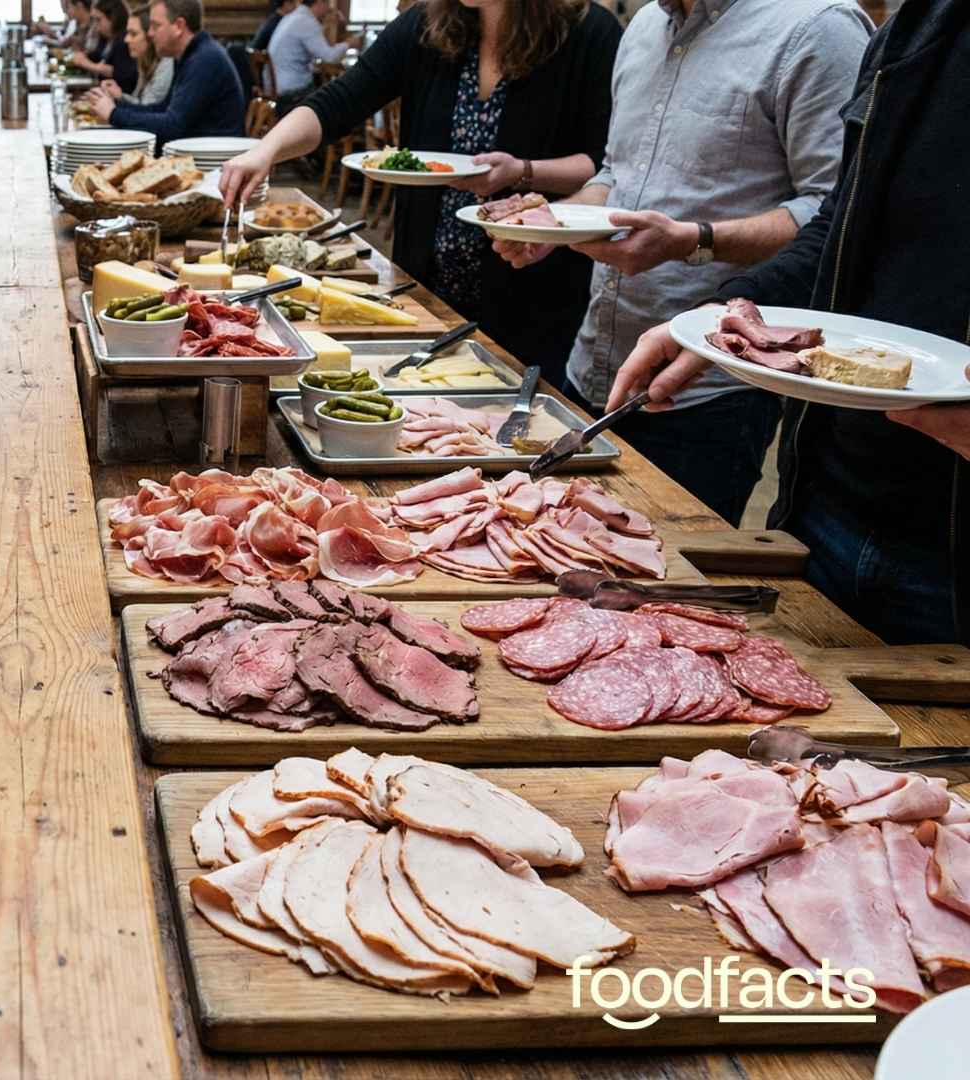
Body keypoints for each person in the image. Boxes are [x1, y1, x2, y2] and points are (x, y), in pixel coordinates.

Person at [604, 0, 970, 645]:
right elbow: (840, 225)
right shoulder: (916, 30)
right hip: (832, 500)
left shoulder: (819, 26)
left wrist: (699, 242)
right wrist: (730, 314)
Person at [491, 0, 871, 526]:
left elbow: (835, 214)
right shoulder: (645, 25)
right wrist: (554, 224)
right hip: (595, 363)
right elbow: (615, 175)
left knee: (665, 587)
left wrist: (693, 240)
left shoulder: (816, 28)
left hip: (708, 392)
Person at [221, 0, 619, 386]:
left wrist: (523, 172)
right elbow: (337, 103)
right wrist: (265, 151)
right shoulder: (427, 24)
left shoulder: (588, 33)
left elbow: (606, 166)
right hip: (429, 283)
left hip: (533, 287)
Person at [83, 0, 242, 141]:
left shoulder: (205, 58)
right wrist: (116, 106)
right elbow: (162, 109)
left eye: (155, 25)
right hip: (195, 154)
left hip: (212, 163)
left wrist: (113, 114)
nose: (150, 33)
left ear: (179, 26)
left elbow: (172, 127)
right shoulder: (190, 55)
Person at [267, 0, 352, 99]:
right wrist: (349, 43)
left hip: (278, 87)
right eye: (328, 3)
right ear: (319, 2)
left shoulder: (293, 16)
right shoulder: (306, 21)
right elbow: (329, 57)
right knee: (334, 97)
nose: (329, 8)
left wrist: (330, 23)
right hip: (292, 94)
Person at [101, 4, 172, 106]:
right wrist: (119, 96)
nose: (126, 39)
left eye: (133, 34)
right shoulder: (144, 61)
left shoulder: (165, 65)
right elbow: (140, 104)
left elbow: (147, 111)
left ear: (150, 36)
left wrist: (115, 108)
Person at [71, 0, 138, 93]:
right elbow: (95, 57)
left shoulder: (124, 40)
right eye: (94, 20)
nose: (95, 25)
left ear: (113, 17)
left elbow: (121, 72)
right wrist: (83, 56)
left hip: (120, 95)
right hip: (104, 91)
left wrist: (88, 64)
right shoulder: (105, 37)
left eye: (98, 20)